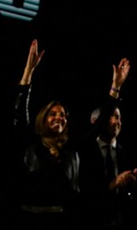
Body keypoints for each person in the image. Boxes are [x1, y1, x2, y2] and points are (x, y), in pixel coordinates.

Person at [8, 38, 84, 228]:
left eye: (63, 115)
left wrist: (115, 88)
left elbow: (97, 128)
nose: (59, 118)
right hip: (28, 219)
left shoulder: (70, 150)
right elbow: (19, 112)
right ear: (43, 118)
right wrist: (28, 72)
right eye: (53, 114)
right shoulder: (30, 143)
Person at [78, 58, 137, 229]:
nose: (117, 122)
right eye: (112, 117)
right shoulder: (83, 151)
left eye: (119, 117)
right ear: (95, 122)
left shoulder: (129, 152)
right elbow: (84, 194)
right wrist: (112, 185)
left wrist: (131, 183)